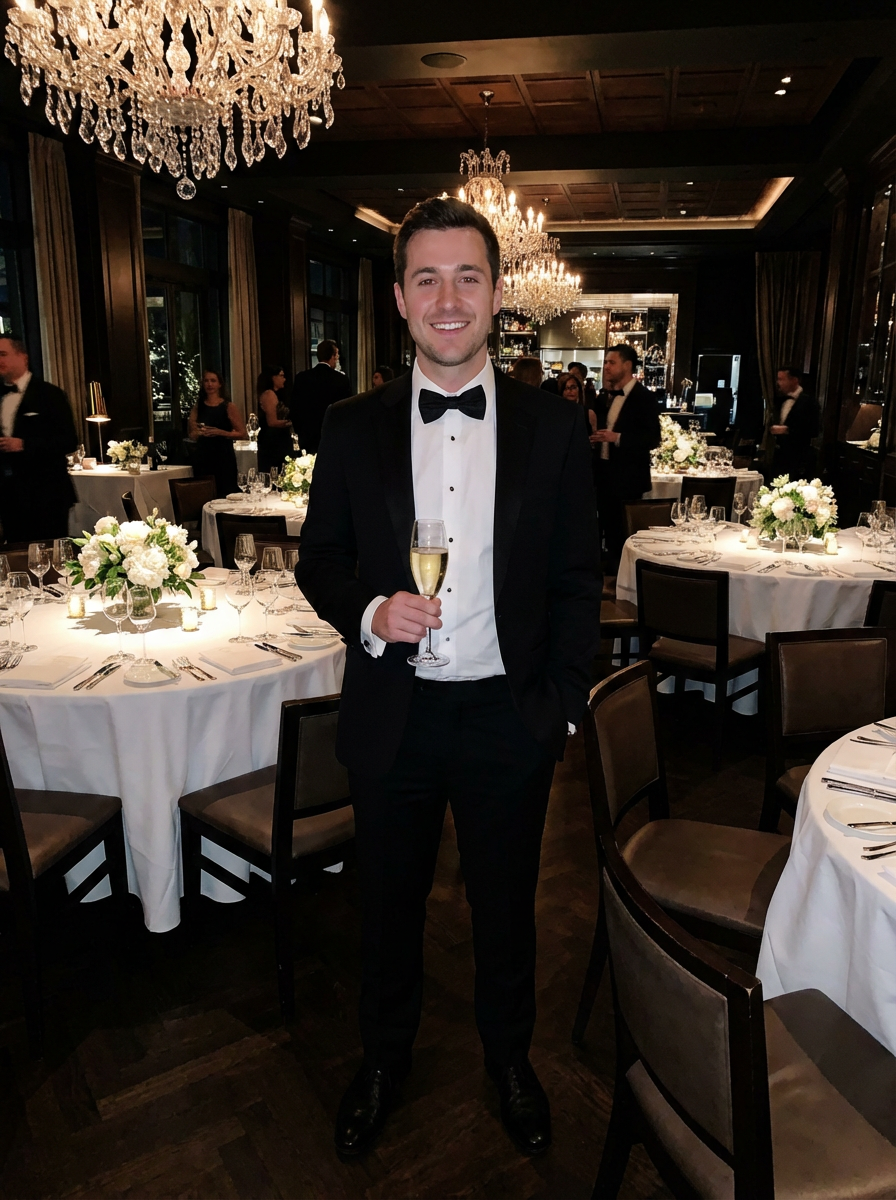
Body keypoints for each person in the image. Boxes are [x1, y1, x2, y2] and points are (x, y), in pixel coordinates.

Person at [297, 196, 600, 1160]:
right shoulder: (352, 426)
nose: (448, 298)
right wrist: (370, 612)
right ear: (398, 298)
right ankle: (383, 1062)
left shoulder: (554, 428)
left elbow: (577, 577)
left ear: (498, 292)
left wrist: (560, 706)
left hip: (510, 713)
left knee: (508, 908)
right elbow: (320, 559)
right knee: (386, 907)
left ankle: (510, 1061)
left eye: (467, 276)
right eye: (426, 278)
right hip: (397, 712)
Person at [0, 336, 78, 542]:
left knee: (50, 552)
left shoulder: (50, 395)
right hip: (9, 495)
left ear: (23, 358)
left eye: (3, 354)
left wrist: (24, 445)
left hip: (46, 494)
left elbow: (68, 440)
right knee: (15, 553)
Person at [591, 344, 661, 569]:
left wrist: (617, 437)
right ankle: (610, 575)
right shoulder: (605, 396)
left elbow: (653, 439)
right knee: (606, 529)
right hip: (604, 474)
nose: (606, 367)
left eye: (612, 362)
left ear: (627, 365)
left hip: (628, 478)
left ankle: (626, 577)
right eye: (605, 362)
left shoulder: (644, 398)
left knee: (624, 532)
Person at [187, 369, 247, 499]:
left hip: (223, 456)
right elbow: (192, 434)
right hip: (203, 455)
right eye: (206, 381)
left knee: (225, 492)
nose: (209, 384)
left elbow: (242, 433)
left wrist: (220, 432)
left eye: (213, 381)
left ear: (220, 384)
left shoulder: (228, 406)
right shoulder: (198, 406)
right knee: (204, 493)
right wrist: (199, 432)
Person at [292, 340, 354, 452]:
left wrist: (300, 431)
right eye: (337, 356)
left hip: (307, 435)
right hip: (333, 435)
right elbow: (347, 410)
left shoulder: (302, 378)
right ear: (333, 356)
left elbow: (295, 408)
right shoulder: (341, 380)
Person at [770, 365, 819, 480]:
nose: (778, 383)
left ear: (794, 380)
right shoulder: (780, 400)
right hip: (779, 459)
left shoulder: (809, 402)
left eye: (781, 379)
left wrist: (787, 430)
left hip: (798, 460)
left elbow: (814, 430)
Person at [256, 365, 293, 473]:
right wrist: (291, 422)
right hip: (273, 441)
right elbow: (272, 422)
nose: (284, 379)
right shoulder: (269, 394)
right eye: (281, 376)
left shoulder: (278, 394)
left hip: (279, 439)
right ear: (273, 377)